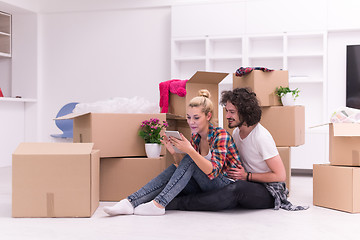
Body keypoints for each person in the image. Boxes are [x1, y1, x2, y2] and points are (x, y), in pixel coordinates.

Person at [103, 89, 242, 216]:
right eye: (188, 117)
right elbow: (185, 169)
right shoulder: (196, 136)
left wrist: (189, 150)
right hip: (206, 184)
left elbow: (213, 171)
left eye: (196, 117)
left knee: (191, 157)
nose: (191, 122)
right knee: (176, 166)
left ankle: (159, 204)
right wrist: (174, 152)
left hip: (227, 186)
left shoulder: (220, 135)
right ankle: (130, 202)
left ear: (208, 116)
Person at [166, 88, 308, 211]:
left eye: (232, 112)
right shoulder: (236, 133)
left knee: (236, 189)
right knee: (226, 186)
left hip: (269, 190)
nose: (227, 116)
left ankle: (179, 203)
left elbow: (280, 176)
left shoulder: (261, 137)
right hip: (247, 183)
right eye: (227, 111)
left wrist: (247, 176)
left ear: (245, 112)